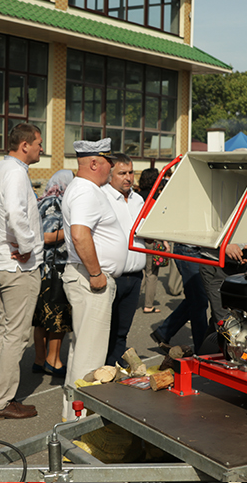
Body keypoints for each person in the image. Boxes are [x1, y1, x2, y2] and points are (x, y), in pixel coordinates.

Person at [0, 123, 44, 420]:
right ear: (24, 146)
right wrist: (26, 245)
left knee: (7, 334)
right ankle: (3, 401)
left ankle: (2, 397)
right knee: (15, 336)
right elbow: (16, 213)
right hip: (17, 266)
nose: (41, 148)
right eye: (38, 143)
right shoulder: (16, 172)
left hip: (1, 260)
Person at [60, 138, 125, 421]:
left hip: (86, 276)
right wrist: (97, 274)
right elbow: (80, 234)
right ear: (95, 163)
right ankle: (79, 426)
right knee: (90, 360)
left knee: (81, 353)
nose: (111, 168)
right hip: (90, 279)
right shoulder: (86, 191)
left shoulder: (86, 189)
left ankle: (70, 419)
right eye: (109, 162)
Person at [102, 154, 146, 367]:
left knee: (122, 330)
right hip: (111, 275)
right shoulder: (102, 197)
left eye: (131, 172)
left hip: (136, 275)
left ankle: (115, 368)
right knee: (104, 329)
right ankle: (102, 369)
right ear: (110, 175)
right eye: (122, 173)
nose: (128, 177)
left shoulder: (138, 199)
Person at [32, 169, 75, 377]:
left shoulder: (41, 200)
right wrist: (72, 231)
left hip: (42, 268)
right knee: (57, 316)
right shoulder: (55, 203)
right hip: (55, 268)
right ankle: (53, 360)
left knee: (41, 317)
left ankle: (40, 360)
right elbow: (47, 237)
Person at [138, 167, 165, 313]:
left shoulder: (135, 196)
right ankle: (148, 304)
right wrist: (165, 241)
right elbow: (156, 222)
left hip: (136, 239)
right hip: (150, 239)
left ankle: (134, 298)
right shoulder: (154, 199)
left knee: (139, 271)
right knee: (151, 273)